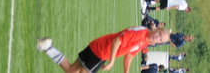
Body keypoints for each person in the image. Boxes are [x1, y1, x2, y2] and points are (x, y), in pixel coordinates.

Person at [36, 27, 171, 73]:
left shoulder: (145, 42)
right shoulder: (140, 33)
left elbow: (129, 55)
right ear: (157, 29)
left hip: (99, 49)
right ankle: (47, 47)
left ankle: (47, 47)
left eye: (160, 39)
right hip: (100, 52)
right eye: (159, 34)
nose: (157, 37)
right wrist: (112, 62)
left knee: (71, 70)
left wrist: (126, 71)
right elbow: (117, 41)